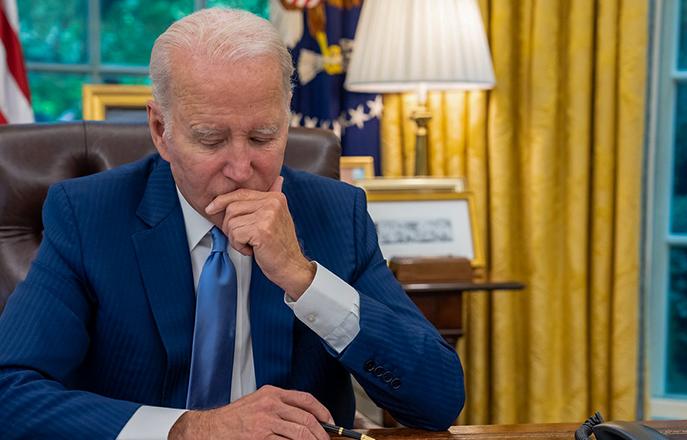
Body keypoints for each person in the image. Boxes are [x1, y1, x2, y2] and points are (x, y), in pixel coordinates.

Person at [0, 7, 464, 440]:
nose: (241, 169)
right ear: (161, 130)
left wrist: (303, 277)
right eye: (210, 139)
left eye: (263, 136)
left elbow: (439, 401)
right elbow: (10, 392)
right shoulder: (89, 216)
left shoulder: (336, 214)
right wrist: (192, 429)